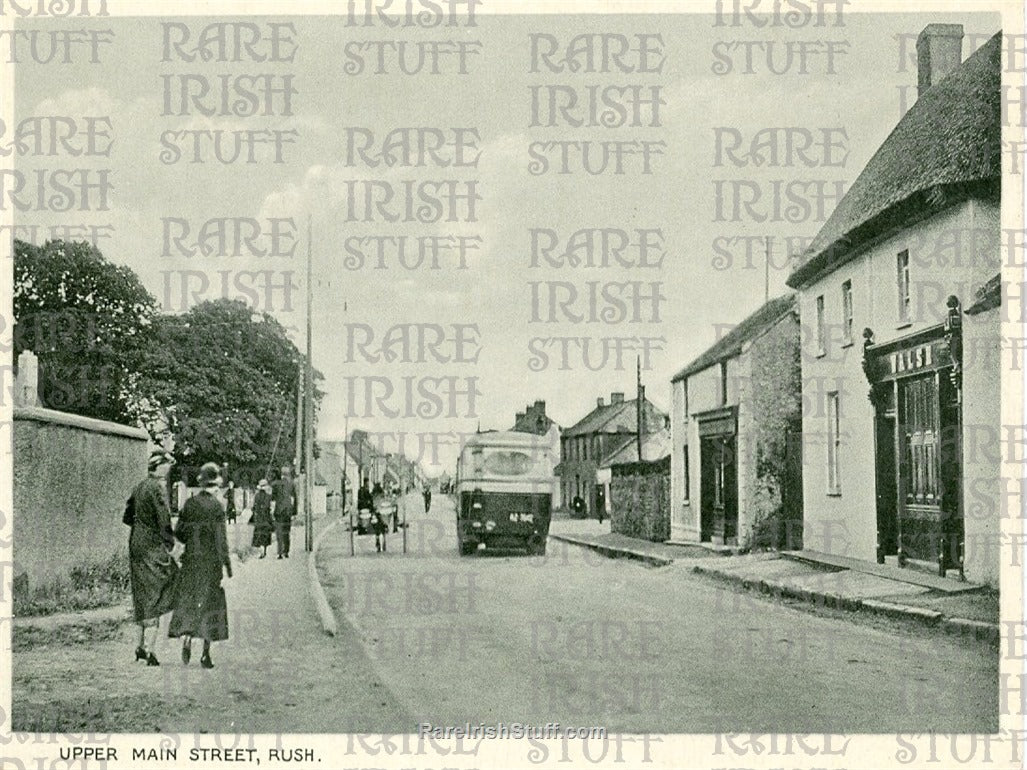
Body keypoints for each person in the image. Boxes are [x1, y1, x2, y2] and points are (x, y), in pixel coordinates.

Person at [169, 462, 231, 669]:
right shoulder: (217, 507)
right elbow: (221, 540)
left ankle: (186, 636)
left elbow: (179, 534)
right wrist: (227, 565)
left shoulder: (189, 504)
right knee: (211, 605)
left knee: (189, 600)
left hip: (191, 562)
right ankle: (206, 654)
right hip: (210, 564)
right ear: (215, 485)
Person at [124, 450, 179, 666]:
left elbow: (127, 516)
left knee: (141, 591)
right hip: (152, 545)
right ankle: (150, 649)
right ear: (158, 467)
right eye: (166, 465)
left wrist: (141, 528)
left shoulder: (139, 486)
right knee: (160, 587)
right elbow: (164, 520)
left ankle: (139, 646)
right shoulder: (157, 488)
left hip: (136, 542)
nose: (169, 468)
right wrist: (170, 543)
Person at [270, 465, 295, 559]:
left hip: (279, 511)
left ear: (281, 474)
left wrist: (272, 512)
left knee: (279, 532)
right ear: (288, 474)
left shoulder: (275, 484)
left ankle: (280, 553)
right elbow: (293, 499)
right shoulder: (291, 484)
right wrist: (293, 513)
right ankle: (286, 552)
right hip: (288, 512)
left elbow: (273, 500)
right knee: (286, 532)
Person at [251, 478, 273, 558]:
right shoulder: (268, 496)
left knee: (259, 535)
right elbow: (268, 507)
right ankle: (264, 550)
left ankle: (261, 551)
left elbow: (254, 507)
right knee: (266, 535)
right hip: (266, 518)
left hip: (259, 518)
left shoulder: (256, 496)